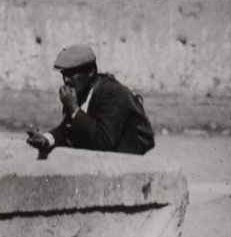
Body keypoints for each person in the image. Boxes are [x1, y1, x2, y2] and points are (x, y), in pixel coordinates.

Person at [26, 43, 154, 157]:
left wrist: (74, 109)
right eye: (64, 74)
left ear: (91, 71)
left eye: (72, 74)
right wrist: (46, 139)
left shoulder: (112, 93)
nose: (66, 80)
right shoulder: (80, 91)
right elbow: (68, 129)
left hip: (129, 160)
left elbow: (104, 142)